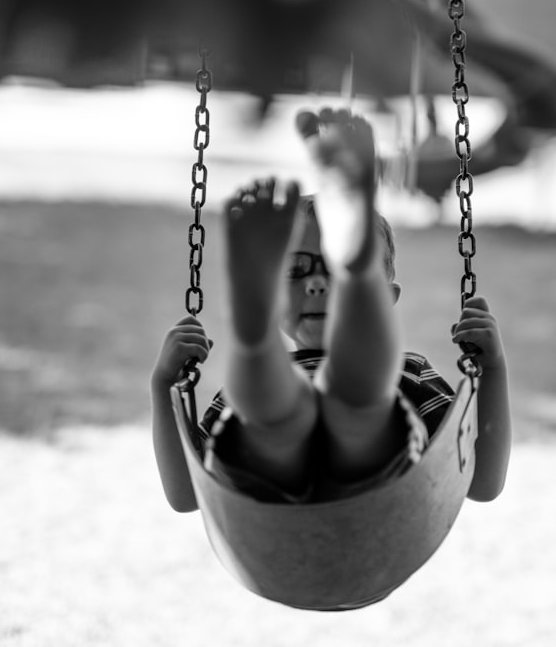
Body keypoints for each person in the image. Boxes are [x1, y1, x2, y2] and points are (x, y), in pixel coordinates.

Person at [151, 108, 511, 511]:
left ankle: (284, 359)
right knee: (282, 407)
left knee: (341, 409)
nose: (317, 283)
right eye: (295, 270)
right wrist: (165, 386)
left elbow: (480, 481)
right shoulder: (239, 398)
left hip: (377, 483)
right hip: (266, 487)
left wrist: (492, 369)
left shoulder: (410, 375)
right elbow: (187, 494)